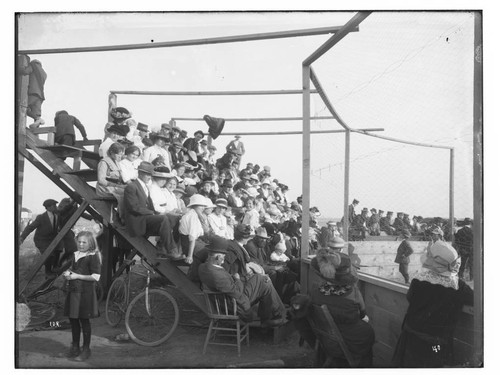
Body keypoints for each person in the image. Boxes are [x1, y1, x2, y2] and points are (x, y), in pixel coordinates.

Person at [392, 241, 473, 367]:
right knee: (434, 362)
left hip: (411, 338)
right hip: (436, 344)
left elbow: (410, 298)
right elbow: (474, 300)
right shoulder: (458, 286)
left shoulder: (419, 280)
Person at [198, 236, 287, 327]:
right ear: (217, 257)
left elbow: (228, 285)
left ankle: (273, 315)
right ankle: (275, 315)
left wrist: (240, 278)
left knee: (262, 280)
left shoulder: (203, 267)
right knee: (264, 281)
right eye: (223, 257)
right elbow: (238, 293)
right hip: (233, 304)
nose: (224, 259)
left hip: (228, 297)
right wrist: (237, 279)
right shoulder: (217, 275)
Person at [310, 250, 375, 367]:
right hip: (348, 343)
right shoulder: (353, 293)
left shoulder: (316, 293)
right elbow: (362, 314)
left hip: (325, 341)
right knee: (368, 331)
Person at [122, 161, 181, 259]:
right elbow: (133, 208)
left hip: (145, 218)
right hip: (137, 220)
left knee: (170, 218)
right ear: (140, 173)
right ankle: (171, 250)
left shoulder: (144, 187)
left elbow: (149, 206)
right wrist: (152, 213)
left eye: (150, 174)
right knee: (163, 219)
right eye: (147, 174)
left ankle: (164, 249)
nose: (149, 177)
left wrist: (157, 212)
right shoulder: (131, 187)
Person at [62, 231, 101, 361]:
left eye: (84, 242)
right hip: (73, 291)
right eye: (79, 241)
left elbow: (96, 277)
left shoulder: (93, 256)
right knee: (73, 320)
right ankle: (75, 347)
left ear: (90, 243)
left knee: (84, 321)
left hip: (85, 293)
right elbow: (74, 269)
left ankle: (86, 349)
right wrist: (68, 273)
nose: (81, 244)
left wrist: (77, 276)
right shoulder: (75, 254)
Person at [20, 199, 62, 278]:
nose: (56, 207)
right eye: (54, 206)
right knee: (49, 254)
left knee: (59, 249)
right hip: (41, 240)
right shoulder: (41, 217)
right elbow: (30, 227)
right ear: (48, 207)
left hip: (51, 240)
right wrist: (22, 237)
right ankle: (48, 272)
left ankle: (54, 267)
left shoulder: (57, 215)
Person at [96, 142, 126, 219]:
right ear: (112, 152)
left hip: (115, 187)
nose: (120, 156)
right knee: (125, 193)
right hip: (104, 188)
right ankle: (122, 218)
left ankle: (125, 216)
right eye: (118, 154)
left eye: (121, 154)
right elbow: (101, 180)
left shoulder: (117, 162)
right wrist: (117, 186)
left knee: (131, 190)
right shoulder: (104, 162)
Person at [179, 194, 209, 264]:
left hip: (195, 242)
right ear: (194, 206)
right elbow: (192, 238)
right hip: (189, 245)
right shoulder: (192, 216)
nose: (203, 208)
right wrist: (190, 256)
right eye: (200, 205)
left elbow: (205, 231)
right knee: (209, 254)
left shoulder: (195, 215)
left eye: (204, 206)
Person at [19, 55, 47, 128]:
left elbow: (25, 71)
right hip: (40, 96)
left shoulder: (33, 65)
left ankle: (37, 120)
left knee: (22, 107)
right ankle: (37, 126)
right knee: (36, 113)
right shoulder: (44, 73)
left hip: (33, 92)